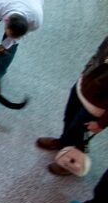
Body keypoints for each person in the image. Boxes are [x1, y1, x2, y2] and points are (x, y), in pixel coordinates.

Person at [38, 35, 108, 176]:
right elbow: (99, 54)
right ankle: (64, 142)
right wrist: (85, 72)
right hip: (82, 86)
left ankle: (71, 160)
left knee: (77, 130)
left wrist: (102, 123)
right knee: (68, 118)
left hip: (96, 105)